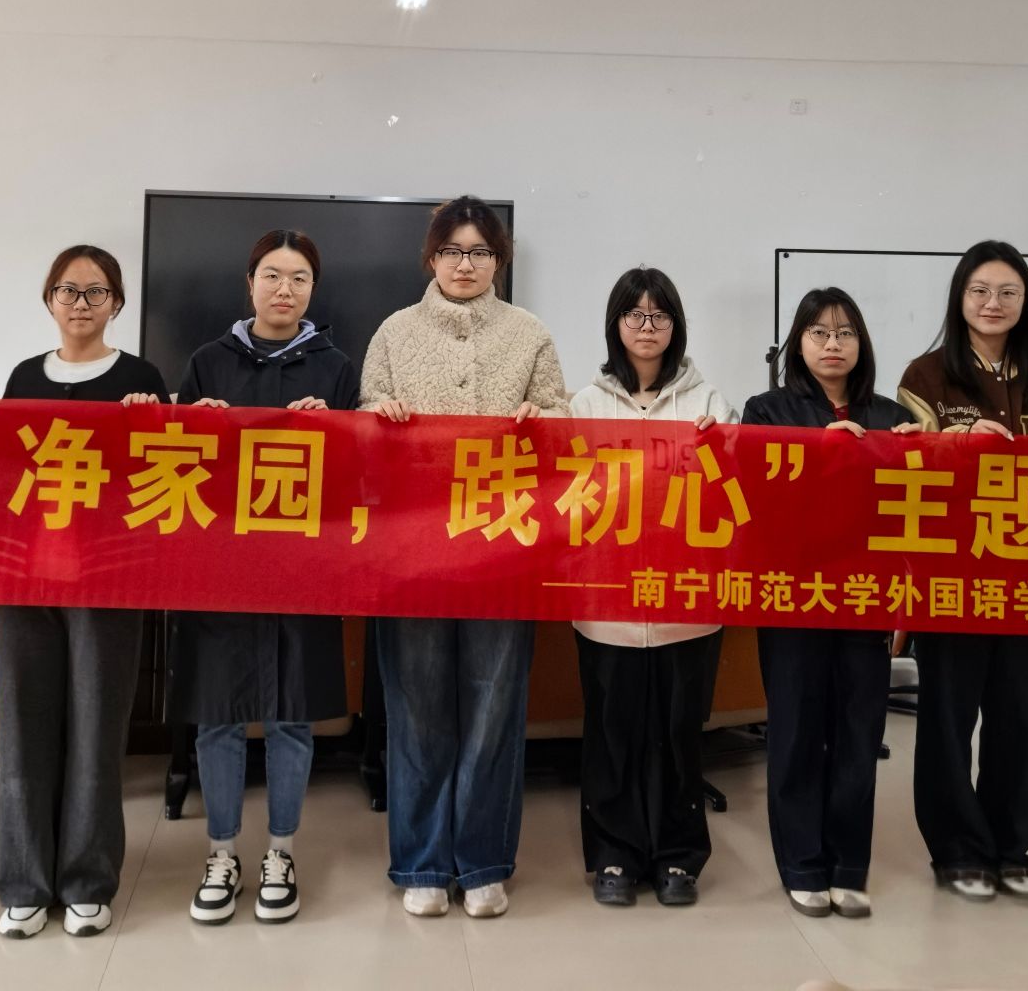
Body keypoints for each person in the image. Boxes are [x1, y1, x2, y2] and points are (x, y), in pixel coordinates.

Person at [362, 196, 569, 920]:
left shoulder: (529, 333)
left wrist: (543, 422)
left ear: (498, 261)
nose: (465, 264)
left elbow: (562, 425)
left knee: (493, 710)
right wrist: (377, 418)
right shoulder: (394, 332)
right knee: (416, 713)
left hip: (503, 553)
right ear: (431, 258)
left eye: (480, 252)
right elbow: (363, 433)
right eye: (452, 251)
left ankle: (482, 862)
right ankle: (422, 863)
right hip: (412, 557)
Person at [895, 241, 1028, 902]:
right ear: (960, 298)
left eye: (1008, 292)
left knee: (1024, 719)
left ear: (1025, 302)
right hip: (952, 573)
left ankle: (1011, 846)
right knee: (949, 718)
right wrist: (956, 442)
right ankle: (958, 850)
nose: (993, 303)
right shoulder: (926, 376)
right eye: (980, 290)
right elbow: (905, 465)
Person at [166, 229, 359, 928]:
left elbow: (358, 479)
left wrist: (335, 429)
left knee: (290, 715)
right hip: (219, 568)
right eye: (272, 275)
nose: (285, 289)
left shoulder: (336, 368)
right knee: (217, 716)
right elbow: (174, 469)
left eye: (299, 278)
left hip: (300, 568)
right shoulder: (206, 362)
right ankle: (221, 853)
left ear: (313, 290)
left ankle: (281, 852)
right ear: (248, 283)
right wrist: (194, 425)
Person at [0, 245, 167, 941]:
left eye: (96, 292)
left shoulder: (141, 379)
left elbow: (157, 479)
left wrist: (150, 420)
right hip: (23, 576)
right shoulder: (20, 378)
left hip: (106, 577)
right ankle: (23, 883)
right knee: (24, 729)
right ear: (49, 300)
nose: (81, 303)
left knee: (97, 730)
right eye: (68, 290)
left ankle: (88, 882)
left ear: (116, 304)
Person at [743, 286, 912, 921]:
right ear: (799, 343)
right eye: (819, 332)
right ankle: (802, 864)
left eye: (845, 333)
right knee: (795, 730)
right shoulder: (766, 410)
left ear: (861, 343)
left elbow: (915, 510)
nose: (833, 344)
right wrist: (822, 450)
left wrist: (916, 453)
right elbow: (755, 497)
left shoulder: (891, 415)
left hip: (866, 596)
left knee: (858, 733)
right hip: (792, 595)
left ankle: (848, 865)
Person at [569, 266, 734, 910]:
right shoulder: (584, 405)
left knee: (679, 734)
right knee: (611, 734)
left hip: (686, 603)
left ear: (675, 325)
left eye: (658, 315)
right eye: (634, 314)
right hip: (607, 603)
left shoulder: (708, 401)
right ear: (616, 324)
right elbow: (565, 499)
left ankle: (678, 858)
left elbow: (732, 493)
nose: (646, 327)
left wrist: (721, 449)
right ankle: (613, 856)